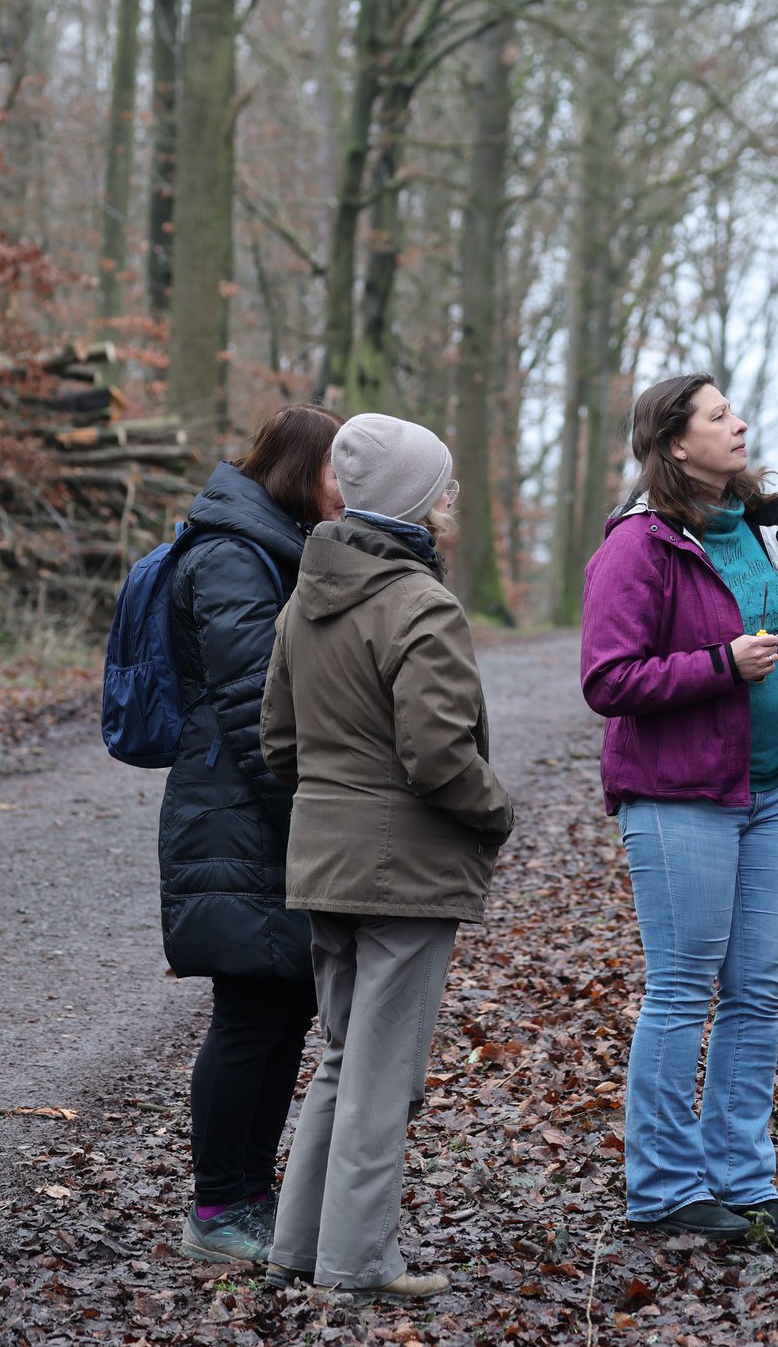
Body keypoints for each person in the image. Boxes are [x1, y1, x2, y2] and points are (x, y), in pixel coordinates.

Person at [579, 374, 778, 1244]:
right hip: (676, 796)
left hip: (766, 798)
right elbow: (609, 680)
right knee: (683, 990)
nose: (740, 423)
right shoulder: (638, 547)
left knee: (757, 992)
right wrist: (720, 665)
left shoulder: (754, 532)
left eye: (736, 412)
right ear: (676, 443)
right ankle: (663, 1186)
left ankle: (742, 1177)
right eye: (719, 416)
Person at [259, 413, 513, 1301]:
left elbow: (280, 744)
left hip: (326, 860)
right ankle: (355, 1263)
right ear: (413, 502)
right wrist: (496, 812)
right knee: (378, 1073)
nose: (449, 499)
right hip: (404, 869)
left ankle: (299, 1246)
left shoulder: (303, 599)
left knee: (341, 1058)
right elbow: (440, 754)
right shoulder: (419, 603)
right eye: (440, 486)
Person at [157, 404, 344, 1263]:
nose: (348, 487)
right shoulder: (234, 554)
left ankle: (250, 1194)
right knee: (248, 1010)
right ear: (300, 470)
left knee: (282, 1007)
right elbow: (251, 709)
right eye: (337, 470)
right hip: (240, 816)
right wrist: (301, 817)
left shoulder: (271, 542)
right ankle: (216, 1208)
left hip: (259, 813)